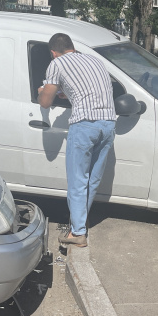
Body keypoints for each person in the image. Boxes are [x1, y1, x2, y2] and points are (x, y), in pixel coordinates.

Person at [38, 33, 117, 248]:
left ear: (54, 52)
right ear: (72, 47)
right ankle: (81, 220)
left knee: (77, 180)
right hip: (108, 124)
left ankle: (78, 232)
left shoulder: (57, 64)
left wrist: (42, 92)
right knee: (92, 179)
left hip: (84, 124)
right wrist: (66, 92)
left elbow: (46, 102)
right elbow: (88, 89)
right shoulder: (95, 60)